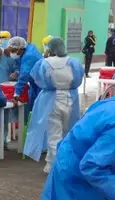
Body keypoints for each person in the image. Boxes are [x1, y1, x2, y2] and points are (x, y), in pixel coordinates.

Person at [23, 37, 83, 172]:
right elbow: (79, 79)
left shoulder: (44, 63)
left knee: (53, 134)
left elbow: (38, 79)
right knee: (69, 132)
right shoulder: (74, 63)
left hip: (50, 100)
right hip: (71, 99)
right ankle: (64, 163)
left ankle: (54, 165)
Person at [5, 36, 43, 108]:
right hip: (35, 83)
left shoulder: (29, 56)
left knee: (39, 107)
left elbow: (24, 75)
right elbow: (19, 63)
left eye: (12, 51)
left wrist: (16, 94)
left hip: (41, 84)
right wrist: (17, 71)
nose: (11, 53)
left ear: (20, 49)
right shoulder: (27, 48)